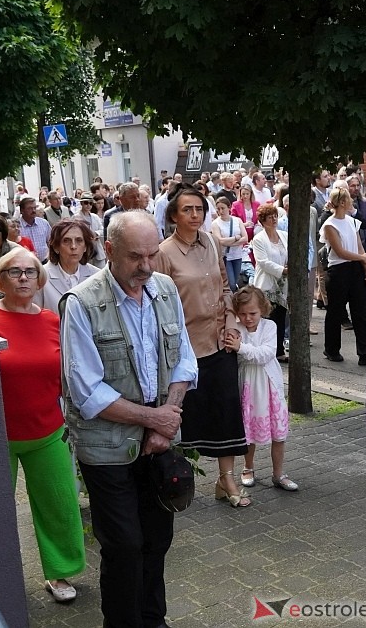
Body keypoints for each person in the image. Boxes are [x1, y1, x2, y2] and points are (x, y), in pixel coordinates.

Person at [60, 212, 198, 627]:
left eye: (152, 254)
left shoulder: (164, 288)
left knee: (157, 539)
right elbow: (86, 391)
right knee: (123, 544)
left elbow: (184, 362)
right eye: (136, 256)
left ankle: (153, 620)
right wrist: (153, 420)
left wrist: (165, 418)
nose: (146, 266)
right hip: (106, 448)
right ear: (110, 249)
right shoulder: (82, 303)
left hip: (157, 443)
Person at [0, 248, 86, 604]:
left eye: (31, 272)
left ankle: (59, 572)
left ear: (40, 279)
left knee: (60, 504)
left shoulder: (50, 320)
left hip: (48, 430)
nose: (24, 278)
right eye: (15, 272)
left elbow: (67, 373)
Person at [155, 186, 252, 507]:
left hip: (219, 341)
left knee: (226, 414)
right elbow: (159, 305)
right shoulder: (164, 253)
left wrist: (231, 325)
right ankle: (174, 483)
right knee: (185, 420)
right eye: (187, 210)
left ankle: (227, 480)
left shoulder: (210, 242)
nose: (195, 215)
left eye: (199, 209)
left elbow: (226, 285)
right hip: (186, 350)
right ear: (173, 216)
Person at [228, 287, 296, 493]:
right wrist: (242, 351)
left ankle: (278, 473)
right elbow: (237, 356)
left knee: (278, 433)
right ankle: (247, 467)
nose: (248, 318)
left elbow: (266, 354)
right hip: (248, 386)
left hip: (269, 386)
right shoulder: (235, 329)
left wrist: (242, 348)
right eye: (243, 314)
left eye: (253, 313)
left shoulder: (270, 326)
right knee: (249, 429)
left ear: (263, 310)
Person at [321, 187, 366, 366]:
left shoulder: (352, 221)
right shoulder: (330, 225)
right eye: (348, 199)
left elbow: (359, 246)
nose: (352, 201)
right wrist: (361, 257)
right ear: (342, 202)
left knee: (360, 310)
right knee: (335, 311)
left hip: (355, 269)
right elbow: (340, 251)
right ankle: (332, 348)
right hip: (338, 271)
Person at [33, 219, 100, 315]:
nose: (73, 246)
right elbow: (35, 316)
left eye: (79, 240)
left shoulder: (96, 276)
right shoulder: (40, 276)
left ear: (85, 247)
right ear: (56, 247)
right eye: (66, 241)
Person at [249, 203, 288, 360]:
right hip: (267, 284)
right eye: (270, 217)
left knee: (280, 317)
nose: (274, 219)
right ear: (262, 221)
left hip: (283, 284)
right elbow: (263, 262)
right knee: (267, 318)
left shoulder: (284, 235)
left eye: (275, 216)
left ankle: (279, 351)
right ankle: (264, 350)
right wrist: (283, 270)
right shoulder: (259, 239)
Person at [211, 197, 249, 295]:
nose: (220, 211)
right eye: (218, 209)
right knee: (231, 283)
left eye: (222, 208)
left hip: (237, 255)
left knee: (235, 280)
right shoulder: (216, 223)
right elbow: (220, 241)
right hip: (225, 257)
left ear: (229, 207)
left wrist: (231, 242)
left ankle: (232, 299)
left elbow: (245, 238)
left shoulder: (237, 220)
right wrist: (236, 238)